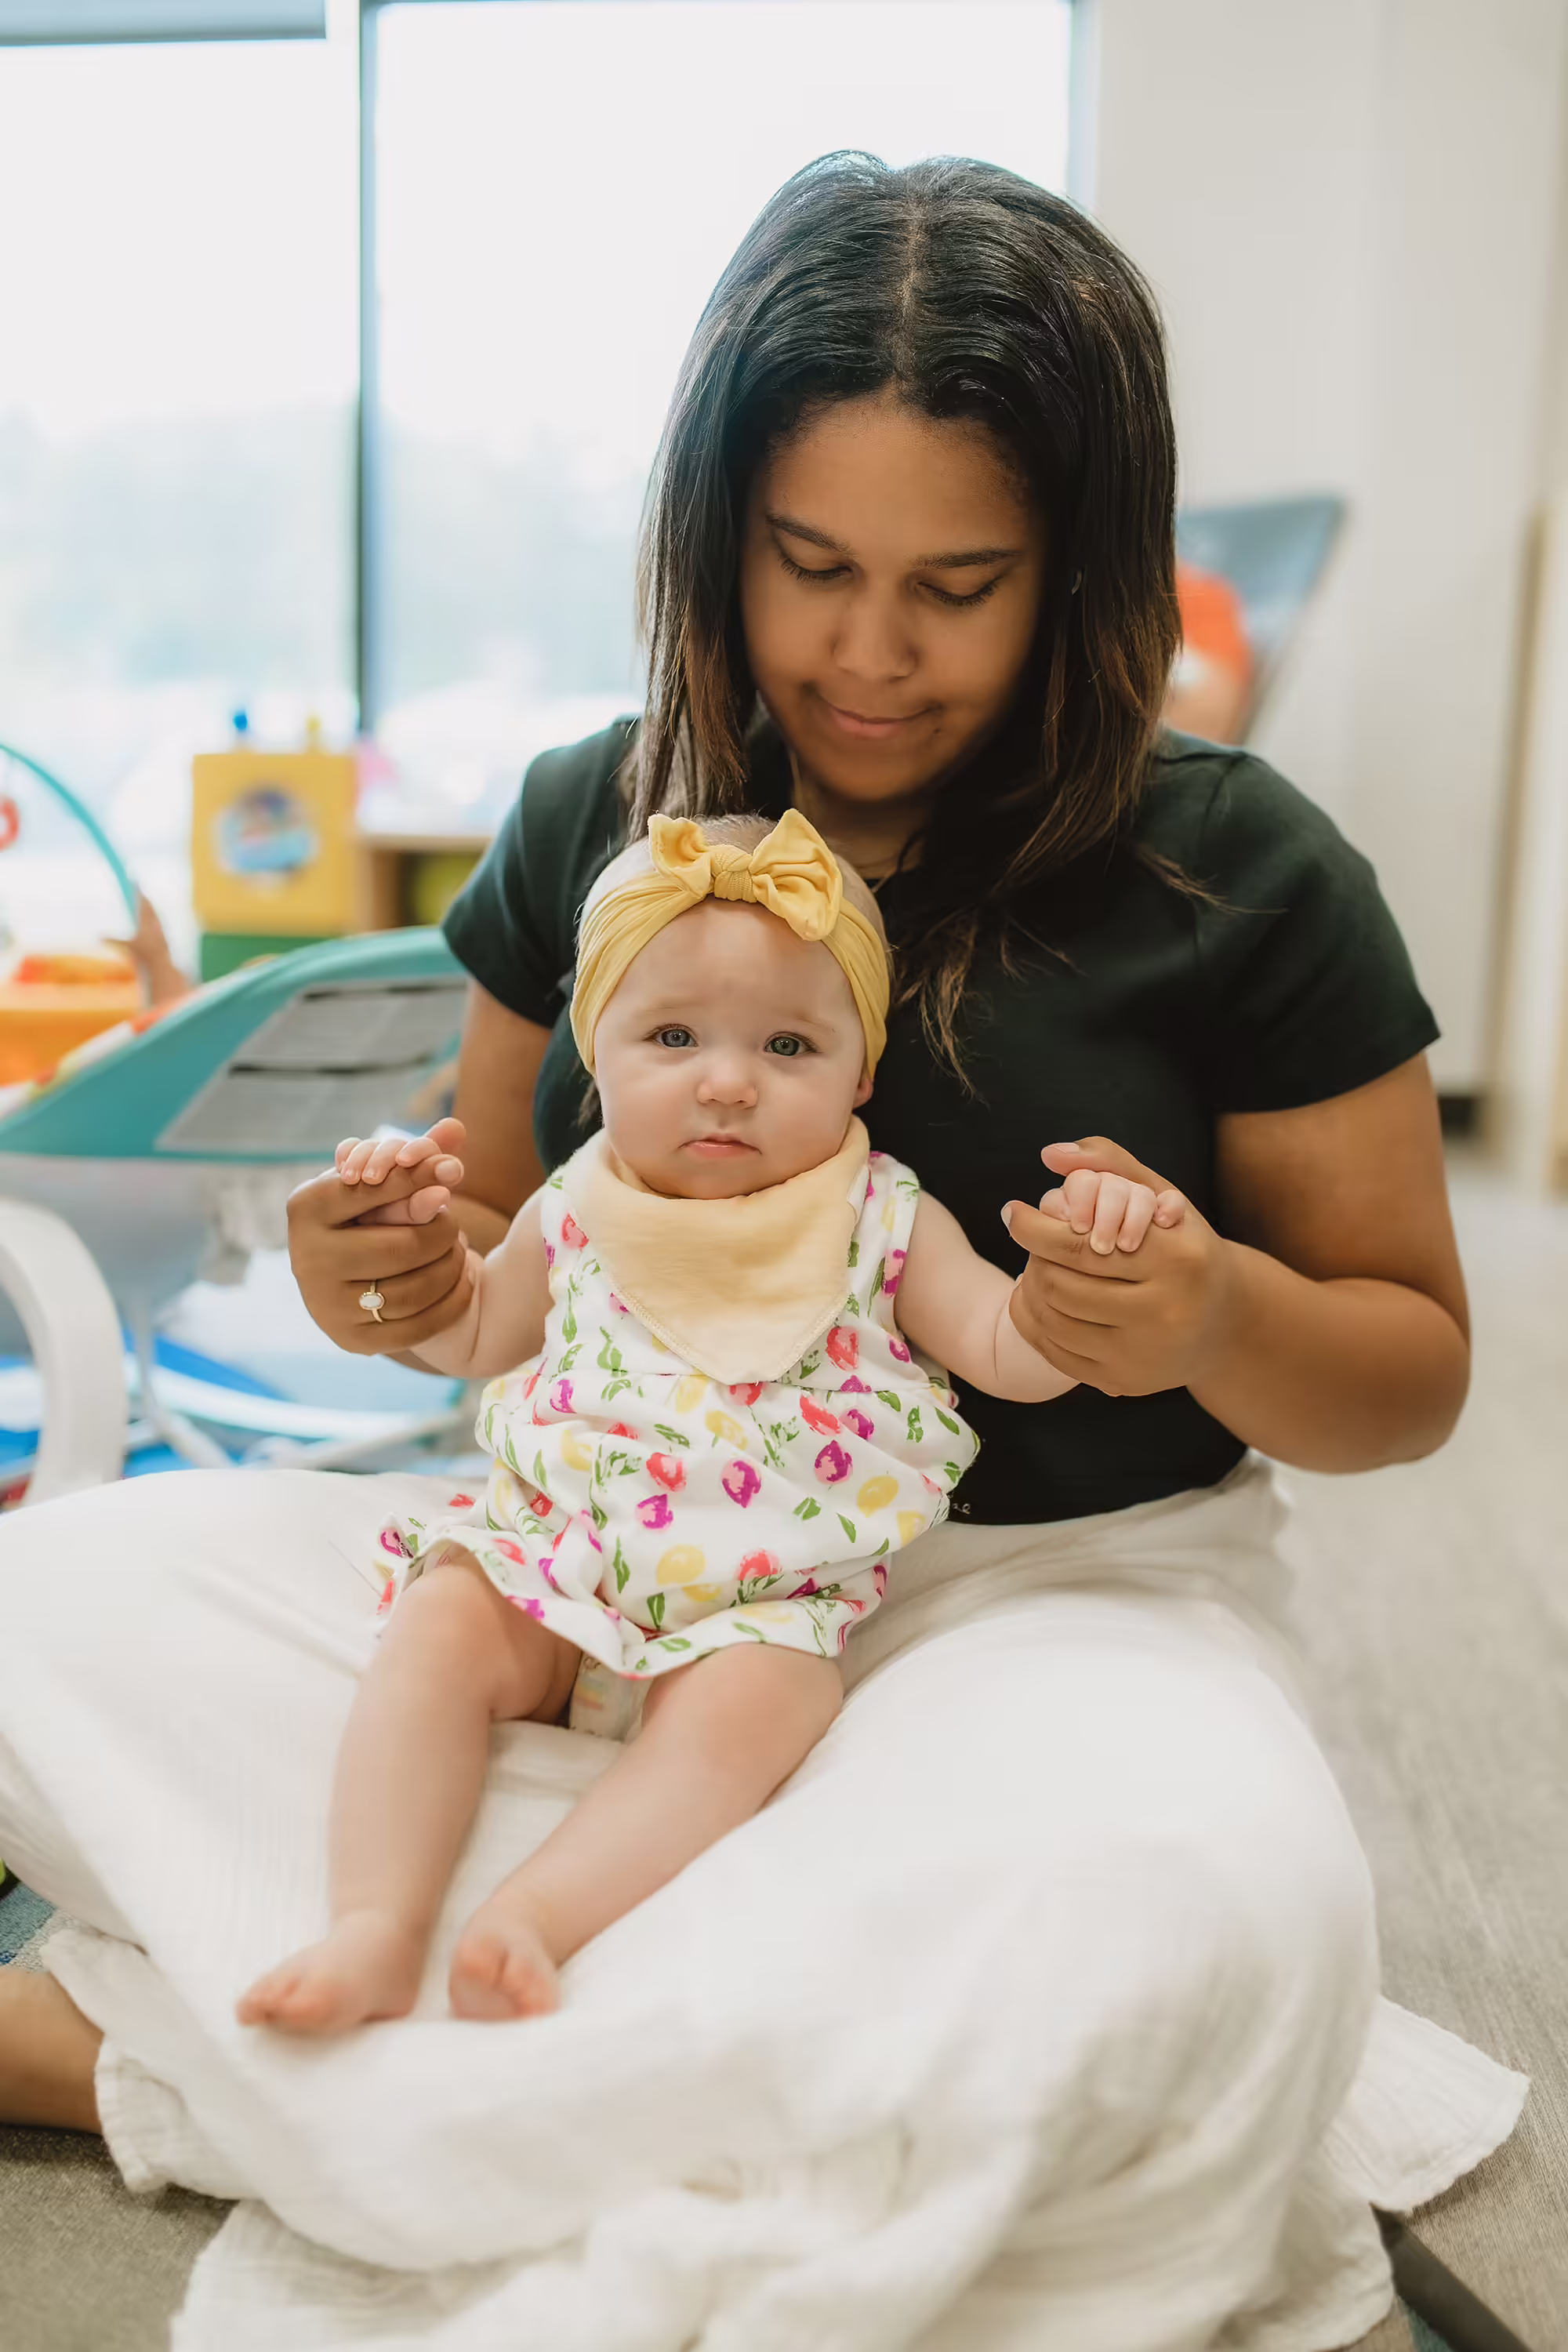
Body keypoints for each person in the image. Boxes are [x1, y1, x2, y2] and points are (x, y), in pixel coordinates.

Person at [0, 154, 1491, 2343]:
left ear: (1083, 573)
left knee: (1205, 1910)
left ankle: (154, 2059)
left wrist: (1208, 1308)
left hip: (1043, 1613)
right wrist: (387, 1285)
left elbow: (1411, 1372)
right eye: (807, 566)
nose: (866, 654)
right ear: (713, 537)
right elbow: (490, 1264)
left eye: (958, 585)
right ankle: (652, 2043)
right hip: (599, 1563)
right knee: (53, 1583)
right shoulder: (590, 814)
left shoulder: (1238, 868)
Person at [238, 810, 1175, 2035]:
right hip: (553, 1561)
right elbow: (468, 1336)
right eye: (672, 1035)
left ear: (862, 1073)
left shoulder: (880, 1213)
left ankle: (537, 1914)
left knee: (769, 1707)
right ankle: (373, 1922)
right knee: (437, 1629)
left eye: (788, 1043)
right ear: (598, 1053)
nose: (727, 1080)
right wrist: (408, 1249)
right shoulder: (576, 1204)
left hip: (764, 1602)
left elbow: (1005, 1349)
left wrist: (1072, 1282)